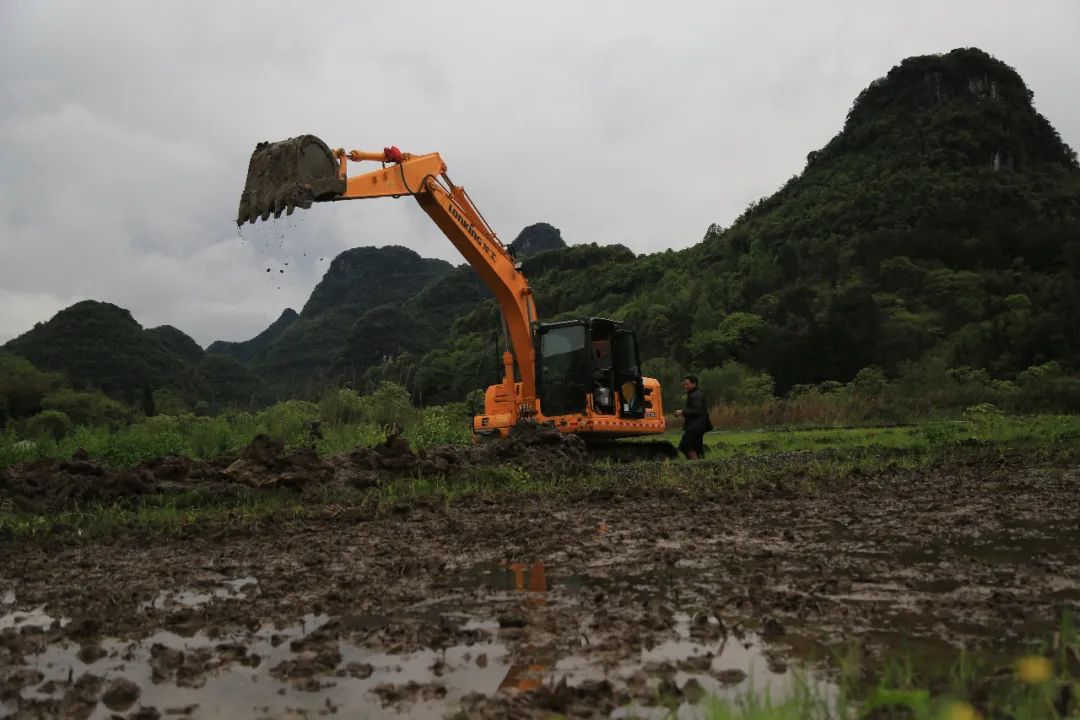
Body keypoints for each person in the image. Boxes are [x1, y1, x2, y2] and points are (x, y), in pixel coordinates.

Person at [674, 374, 711, 460]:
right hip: (699, 425)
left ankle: (695, 463)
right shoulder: (694, 394)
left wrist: (682, 412)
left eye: (687, 384)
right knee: (697, 447)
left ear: (694, 384)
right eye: (685, 384)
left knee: (684, 445)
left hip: (696, 426)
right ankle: (702, 464)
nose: (685, 386)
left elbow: (697, 411)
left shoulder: (696, 395)